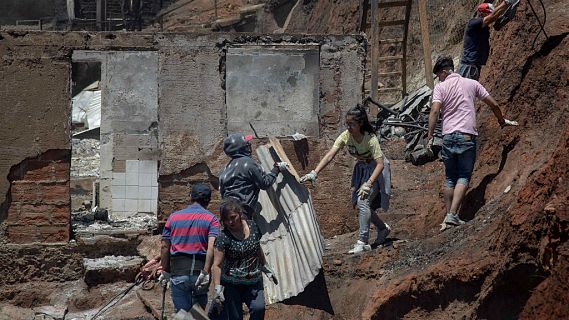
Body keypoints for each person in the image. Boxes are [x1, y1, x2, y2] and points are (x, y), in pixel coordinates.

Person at [427, 56, 518, 230]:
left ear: (445, 71)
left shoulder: (440, 87)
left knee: (449, 178)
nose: (439, 78)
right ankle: (452, 215)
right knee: (463, 176)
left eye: (439, 74)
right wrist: (501, 120)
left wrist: (430, 135)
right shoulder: (471, 83)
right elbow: (493, 104)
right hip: (466, 136)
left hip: (447, 137)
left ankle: (449, 217)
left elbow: (435, 111)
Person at [299, 104, 391, 254]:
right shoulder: (346, 136)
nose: (348, 127)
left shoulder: (370, 139)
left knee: (363, 201)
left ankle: (363, 241)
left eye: (352, 124)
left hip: (376, 170)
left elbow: (380, 164)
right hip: (362, 169)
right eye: (347, 124)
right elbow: (330, 155)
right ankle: (382, 228)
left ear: (360, 124)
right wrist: (314, 172)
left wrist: (368, 184)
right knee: (360, 204)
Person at [209, 198, 278, 320]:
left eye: (233, 217)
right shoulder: (223, 237)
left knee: (258, 308)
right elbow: (217, 265)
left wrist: (265, 267)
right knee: (235, 317)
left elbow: (257, 248)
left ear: (240, 214)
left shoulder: (253, 226)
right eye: (226, 219)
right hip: (232, 283)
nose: (230, 222)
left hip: (253, 280)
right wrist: (217, 287)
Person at [159, 183, 220, 312]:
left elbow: (165, 246)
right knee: (198, 314)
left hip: (178, 273)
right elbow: (211, 248)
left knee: (182, 313)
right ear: (208, 200)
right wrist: (205, 271)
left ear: (190, 197)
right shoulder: (212, 219)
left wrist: (165, 270)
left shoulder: (173, 217)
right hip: (200, 273)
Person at [219, 133, 288, 219]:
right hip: (241, 213)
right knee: (248, 232)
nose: (250, 144)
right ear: (241, 147)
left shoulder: (224, 170)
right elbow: (264, 183)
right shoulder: (248, 163)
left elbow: (222, 194)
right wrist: (276, 169)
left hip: (226, 214)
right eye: (246, 143)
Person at [458, 0, 516, 80]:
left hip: (474, 66)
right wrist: (507, 2)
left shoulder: (483, 27)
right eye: (488, 13)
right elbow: (493, 16)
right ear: (482, 13)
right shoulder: (473, 23)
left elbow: (495, 18)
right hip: (468, 66)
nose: (490, 15)